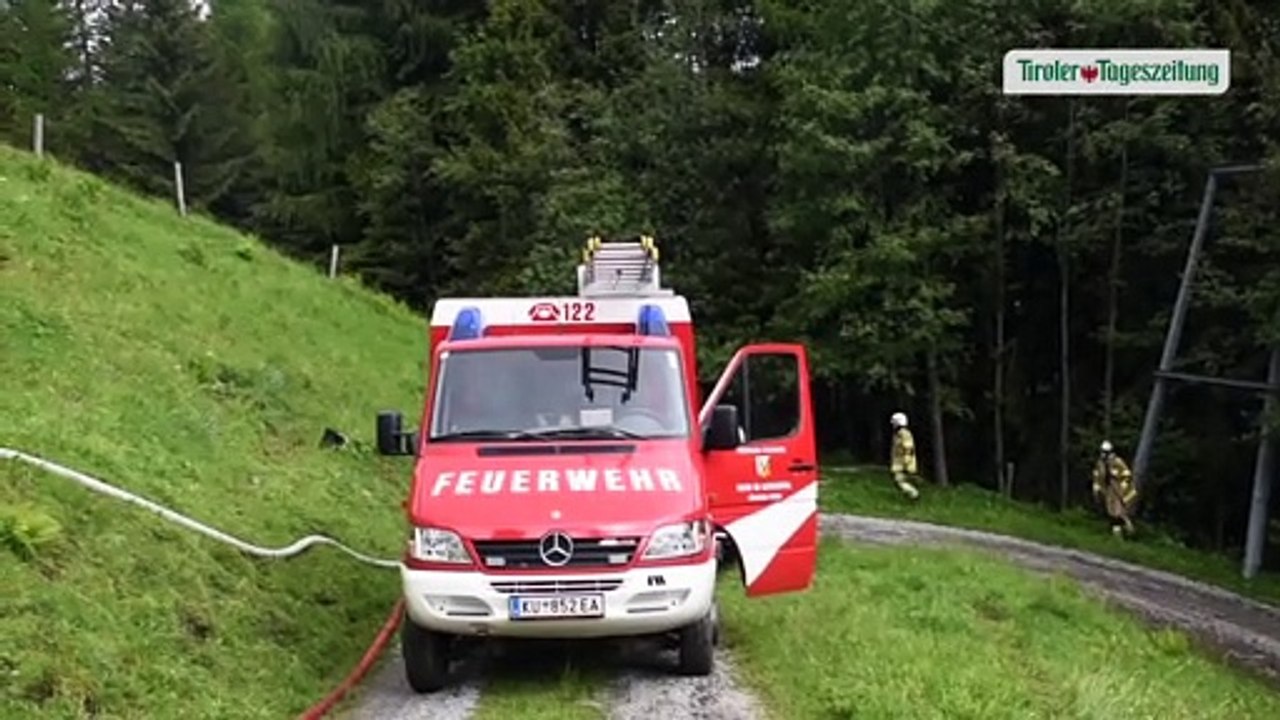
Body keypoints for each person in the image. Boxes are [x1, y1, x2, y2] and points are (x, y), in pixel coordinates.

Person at [1092, 440, 1137, 537]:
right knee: (1111, 511)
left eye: (1105, 452)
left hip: (1119, 490)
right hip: (1109, 489)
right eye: (1102, 452)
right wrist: (1096, 488)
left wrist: (1123, 489)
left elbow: (1127, 475)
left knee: (1119, 511)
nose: (1103, 454)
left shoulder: (1118, 462)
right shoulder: (1100, 463)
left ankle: (1128, 529)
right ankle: (1117, 533)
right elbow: (1097, 476)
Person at [889, 412, 921, 500]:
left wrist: (906, 462)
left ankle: (914, 494)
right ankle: (909, 496)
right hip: (899, 462)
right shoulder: (898, 434)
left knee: (899, 480)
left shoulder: (904, 434)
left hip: (903, 463)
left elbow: (908, 448)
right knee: (898, 480)